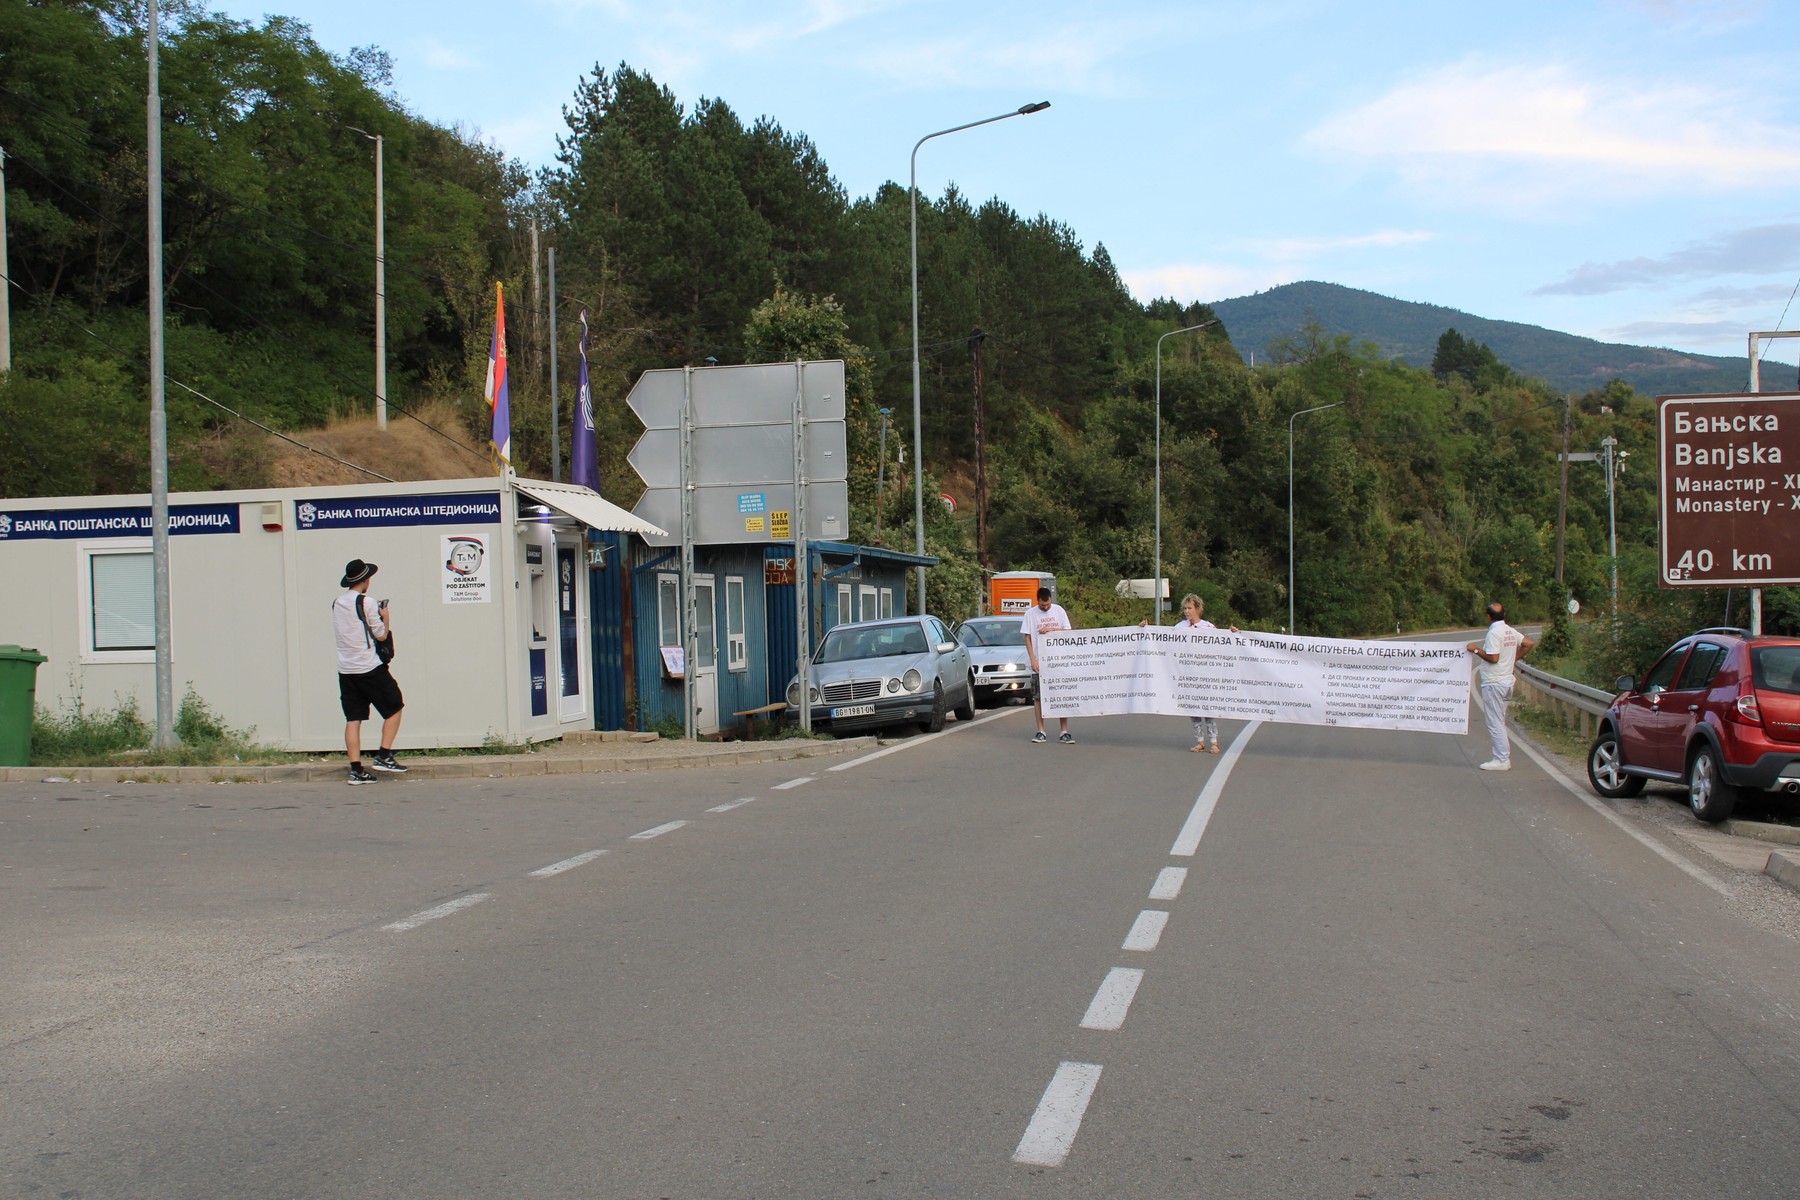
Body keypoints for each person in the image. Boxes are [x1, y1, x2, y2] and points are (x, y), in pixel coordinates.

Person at [334, 558, 406, 784]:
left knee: (353, 718)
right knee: (395, 706)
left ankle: (356, 770)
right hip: (369, 667)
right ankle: (384, 756)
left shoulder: (337, 603)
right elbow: (381, 635)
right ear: (365, 580)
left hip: (346, 670)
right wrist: (386, 618)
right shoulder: (367, 603)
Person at [1144, 593, 1238, 753]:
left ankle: (1214, 742)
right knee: (1193, 709)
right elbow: (1164, 641)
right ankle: (1200, 741)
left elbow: (1222, 643)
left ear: (1197, 609)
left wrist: (1233, 633)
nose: (1187, 611)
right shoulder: (1180, 627)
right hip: (1187, 673)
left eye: (1190, 608)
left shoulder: (1208, 627)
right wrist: (1146, 628)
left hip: (1205, 673)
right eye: (1185, 608)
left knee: (1207, 709)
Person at [1465, 601, 1533, 772]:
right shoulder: (1509, 631)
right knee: (1499, 719)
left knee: (1494, 721)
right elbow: (1528, 643)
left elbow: (1493, 658)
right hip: (1507, 680)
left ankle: (1501, 758)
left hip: (1495, 682)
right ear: (1504, 615)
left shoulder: (1494, 633)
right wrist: (1514, 658)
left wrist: (1475, 650)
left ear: (1488, 616)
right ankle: (1502, 757)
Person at [1021, 586, 1074, 744]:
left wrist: (1051, 630)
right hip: (1039, 662)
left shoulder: (1059, 611)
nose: (1045, 607)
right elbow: (1027, 638)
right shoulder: (1030, 614)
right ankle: (1041, 730)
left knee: (1061, 694)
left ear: (1051, 599)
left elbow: (1067, 632)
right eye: (1042, 605)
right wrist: (1033, 659)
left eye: (1047, 604)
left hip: (1058, 661)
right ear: (1037, 601)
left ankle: (1064, 731)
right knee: (1038, 697)